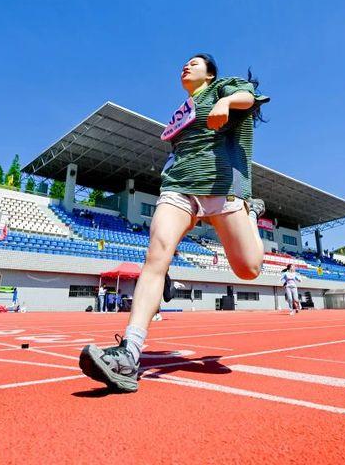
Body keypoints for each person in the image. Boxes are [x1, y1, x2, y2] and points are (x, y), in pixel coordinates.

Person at [79, 53, 270, 392]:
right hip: (179, 187)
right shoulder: (180, 111)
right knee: (156, 257)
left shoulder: (224, 88)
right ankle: (129, 353)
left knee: (248, 269)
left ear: (210, 75)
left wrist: (226, 102)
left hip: (222, 186)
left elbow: (248, 97)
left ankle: (251, 214)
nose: (187, 66)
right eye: (185, 63)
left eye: (195, 63)